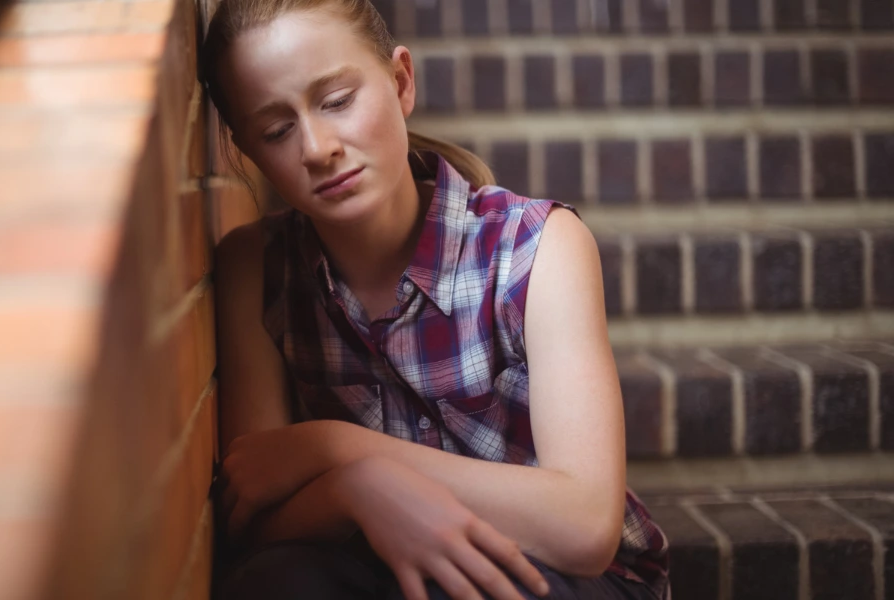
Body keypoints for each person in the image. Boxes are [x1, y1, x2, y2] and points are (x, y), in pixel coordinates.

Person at [199, 1, 671, 599]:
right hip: (376, 561)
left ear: (401, 82)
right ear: (247, 148)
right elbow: (256, 520)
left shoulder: (536, 247)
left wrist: (341, 449)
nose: (317, 148)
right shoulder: (258, 268)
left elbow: (583, 528)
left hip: (555, 573)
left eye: (337, 100)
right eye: (276, 130)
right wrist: (357, 490)